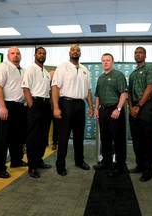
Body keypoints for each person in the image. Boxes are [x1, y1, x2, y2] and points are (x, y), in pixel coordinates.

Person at [51, 45, 93, 176]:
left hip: (80, 104)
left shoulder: (85, 70)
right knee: (63, 136)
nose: (75, 52)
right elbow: (56, 87)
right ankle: (60, 164)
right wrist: (56, 107)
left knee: (79, 135)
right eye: (73, 50)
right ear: (69, 52)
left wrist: (91, 106)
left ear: (80, 53)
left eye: (78, 50)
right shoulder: (62, 66)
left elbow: (88, 91)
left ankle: (79, 161)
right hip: (66, 103)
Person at [0, 46, 27, 179]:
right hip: (6, 105)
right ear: (8, 55)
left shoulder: (23, 70)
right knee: (3, 138)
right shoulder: (3, 67)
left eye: (18, 53)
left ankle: (16, 160)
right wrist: (2, 107)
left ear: (21, 56)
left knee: (17, 136)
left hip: (20, 107)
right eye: (12, 53)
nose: (15, 55)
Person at [93, 53, 128, 177]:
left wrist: (118, 109)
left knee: (118, 139)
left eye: (108, 60)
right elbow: (97, 95)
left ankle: (119, 165)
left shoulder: (118, 75)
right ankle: (106, 162)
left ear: (113, 62)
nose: (105, 62)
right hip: (103, 110)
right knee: (105, 138)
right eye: (103, 60)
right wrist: (96, 109)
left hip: (115, 109)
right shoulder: (101, 77)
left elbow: (124, 94)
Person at [22, 47, 52, 178]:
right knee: (33, 136)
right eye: (40, 53)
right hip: (35, 103)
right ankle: (32, 166)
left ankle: (39, 160)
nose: (42, 55)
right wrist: (32, 106)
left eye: (44, 54)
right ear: (35, 55)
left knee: (43, 135)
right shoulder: (30, 69)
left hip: (45, 104)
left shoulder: (45, 72)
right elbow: (26, 89)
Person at [128, 47, 152, 182]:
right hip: (134, 107)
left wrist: (139, 106)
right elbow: (128, 92)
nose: (137, 54)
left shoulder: (149, 68)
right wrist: (131, 107)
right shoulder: (133, 73)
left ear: (145, 55)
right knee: (137, 139)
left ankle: (148, 170)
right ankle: (140, 165)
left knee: (148, 140)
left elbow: (150, 88)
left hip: (146, 106)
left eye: (140, 52)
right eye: (135, 53)